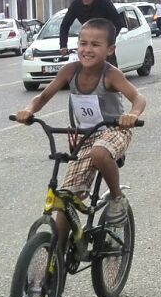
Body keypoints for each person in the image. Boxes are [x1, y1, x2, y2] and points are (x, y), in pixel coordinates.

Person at [14, 18, 145, 225]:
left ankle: (117, 198)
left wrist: (133, 115)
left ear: (110, 49)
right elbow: (42, 97)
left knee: (99, 152)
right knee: (66, 198)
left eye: (95, 44)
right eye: (83, 43)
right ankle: (59, 245)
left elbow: (138, 98)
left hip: (116, 130)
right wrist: (29, 110)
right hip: (86, 135)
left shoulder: (111, 74)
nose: (87, 50)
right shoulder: (69, 71)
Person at [57, 0, 126, 65]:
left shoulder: (105, 3)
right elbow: (65, 25)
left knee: (108, 67)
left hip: (103, 41)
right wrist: (63, 45)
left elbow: (117, 23)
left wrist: (108, 41)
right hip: (88, 39)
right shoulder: (76, 5)